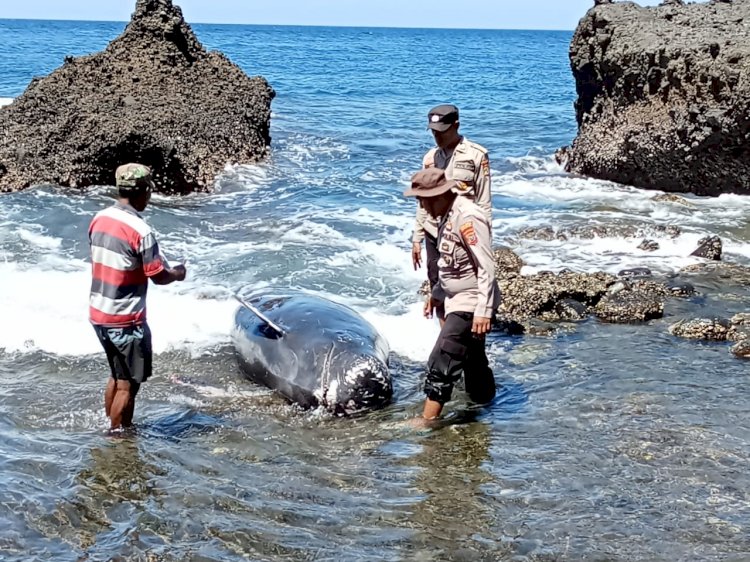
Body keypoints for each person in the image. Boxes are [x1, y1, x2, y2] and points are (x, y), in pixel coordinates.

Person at [88, 163, 187, 432]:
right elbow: (158, 275)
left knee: (117, 376)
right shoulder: (142, 232)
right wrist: (177, 273)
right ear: (143, 191)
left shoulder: (100, 218)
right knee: (129, 384)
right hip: (126, 318)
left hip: (99, 312)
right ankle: (118, 437)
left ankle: (111, 426)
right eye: (149, 191)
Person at [404, 167, 499, 423]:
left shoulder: (468, 217)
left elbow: (486, 265)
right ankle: (487, 409)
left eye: (422, 199)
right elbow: (449, 265)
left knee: (443, 356)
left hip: (472, 300)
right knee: (472, 359)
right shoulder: (445, 216)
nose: (421, 205)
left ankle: (427, 421)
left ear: (438, 195)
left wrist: (483, 310)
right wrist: (436, 294)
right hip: (456, 298)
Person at [411, 104, 492, 321]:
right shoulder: (430, 158)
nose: (437, 136)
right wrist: (417, 238)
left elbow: (484, 201)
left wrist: (485, 238)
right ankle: (445, 337)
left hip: (461, 231)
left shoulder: (476, 155)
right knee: (437, 285)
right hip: (432, 231)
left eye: (442, 131)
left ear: (456, 125)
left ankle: (462, 336)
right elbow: (423, 200)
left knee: (462, 287)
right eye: (433, 131)